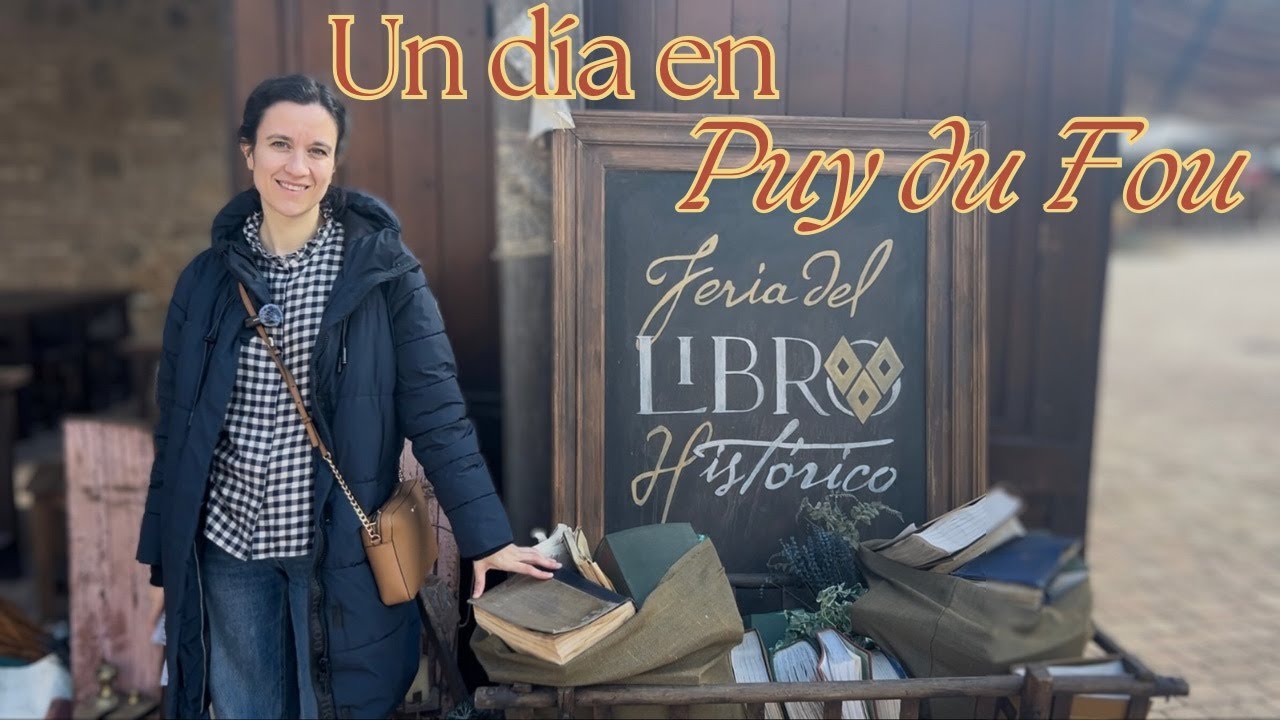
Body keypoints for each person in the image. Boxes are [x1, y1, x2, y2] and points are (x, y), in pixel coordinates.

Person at [135, 74, 559, 720]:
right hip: (228, 548)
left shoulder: (384, 274)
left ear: (335, 163)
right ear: (248, 151)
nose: (297, 167)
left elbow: (438, 413)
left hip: (333, 553)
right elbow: (177, 430)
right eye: (280, 145)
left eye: (317, 150)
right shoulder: (204, 281)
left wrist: (487, 537)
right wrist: (161, 560)